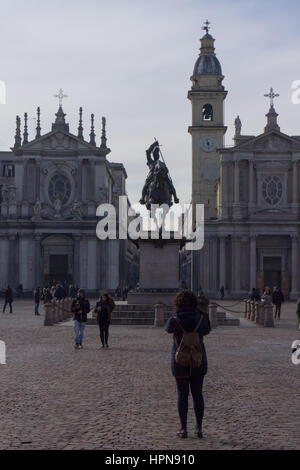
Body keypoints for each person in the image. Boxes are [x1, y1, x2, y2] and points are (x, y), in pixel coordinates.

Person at [165, 290, 211, 439]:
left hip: (180, 361)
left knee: (182, 394)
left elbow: (167, 329)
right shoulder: (201, 317)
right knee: (198, 394)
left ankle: (183, 428)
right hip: (198, 359)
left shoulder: (175, 319)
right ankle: (199, 427)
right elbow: (207, 330)